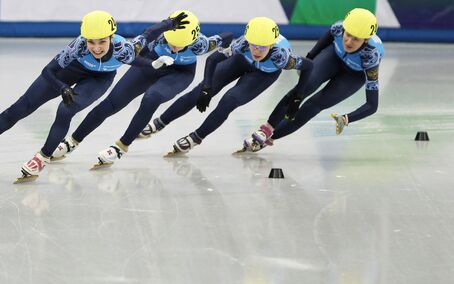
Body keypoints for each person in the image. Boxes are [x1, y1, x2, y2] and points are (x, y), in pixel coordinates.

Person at [0, 10, 190, 182]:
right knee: (23, 106)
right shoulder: (78, 46)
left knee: (66, 111)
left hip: (98, 80)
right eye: (92, 42)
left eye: (101, 41)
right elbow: (48, 71)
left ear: (111, 37)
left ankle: (43, 156)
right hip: (68, 73)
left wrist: (164, 37)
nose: (96, 47)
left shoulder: (123, 48)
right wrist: (61, 88)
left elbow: (145, 42)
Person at [50, 10, 233, 168]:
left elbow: (227, 36)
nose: (175, 49)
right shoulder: (157, 39)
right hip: (152, 64)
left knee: (151, 98)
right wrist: (150, 62)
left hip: (179, 74)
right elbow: (144, 38)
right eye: (171, 43)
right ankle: (73, 141)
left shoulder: (200, 44)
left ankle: (121, 146)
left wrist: (225, 51)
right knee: (111, 103)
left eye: (180, 45)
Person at [138, 17, 313, 156]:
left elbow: (309, 66)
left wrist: (298, 95)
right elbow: (213, 59)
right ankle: (160, 123)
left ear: (271, 45)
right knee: (199, 92)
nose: (256, 51)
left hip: (264, 74)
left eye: (262, 47)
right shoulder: (242, 44)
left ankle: (196, 138)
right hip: (240, 62)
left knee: (228, 101)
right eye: (253, 45)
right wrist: (207, 86)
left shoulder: (281, 57)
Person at [241, 8, 383, 153]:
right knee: (302, 89)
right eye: (348, 35)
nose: (349, 41)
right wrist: (308, 60)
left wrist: (347, 118)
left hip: (353, 75)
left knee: (313, 105)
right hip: (333, 57)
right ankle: (265, 130)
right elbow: (324, 41)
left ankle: (270, 138)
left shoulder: (371, 56)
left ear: (366, 40)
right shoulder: (339, 28)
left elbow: (372, 105)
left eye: (356, 39)